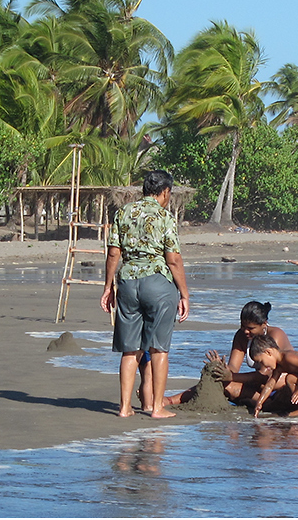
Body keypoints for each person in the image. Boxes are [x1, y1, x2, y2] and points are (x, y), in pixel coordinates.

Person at [100, 170, 190, 419]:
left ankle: (124, 407)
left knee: (130, 351)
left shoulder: (123, 213)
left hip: (128, 283)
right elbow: (173, 259)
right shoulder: (165, 217)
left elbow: (113, 254)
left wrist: (108, 287)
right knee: (159, 349)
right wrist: (184, 294)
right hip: (157, 284)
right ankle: (157, 407)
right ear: (165, 192)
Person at [164, 301, 294, 407]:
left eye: (251, 328)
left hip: (285, 388)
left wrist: (231, 376)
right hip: (259, 387)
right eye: (243, 326)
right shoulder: (241, 336)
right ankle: (170, 400)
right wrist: (222, 369)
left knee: (231, 381)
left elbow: (265, 374)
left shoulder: (275, 336)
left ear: (264, 324)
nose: (246, 331)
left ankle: (264, 404)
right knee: (219, 379)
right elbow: (233, 368)